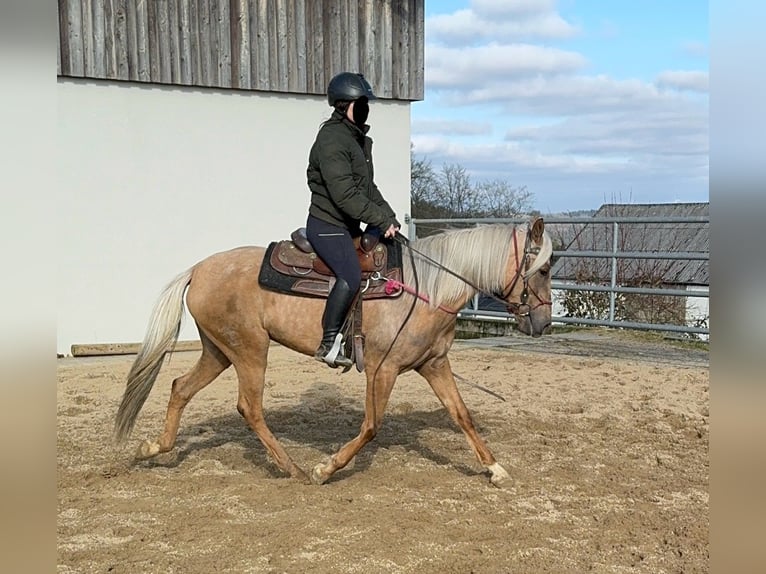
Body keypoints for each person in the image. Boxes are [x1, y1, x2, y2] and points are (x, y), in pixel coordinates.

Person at [306, 72, 401, 368]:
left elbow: (368, 188)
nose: (365, 109)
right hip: (327, 226)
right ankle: (329, 342)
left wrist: (389, 218)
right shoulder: (332, 139)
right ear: (343, 105)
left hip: (347, 226)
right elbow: (345, 194)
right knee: (349, 275)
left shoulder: (357, 140)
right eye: (361, 104)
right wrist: (377, 218)